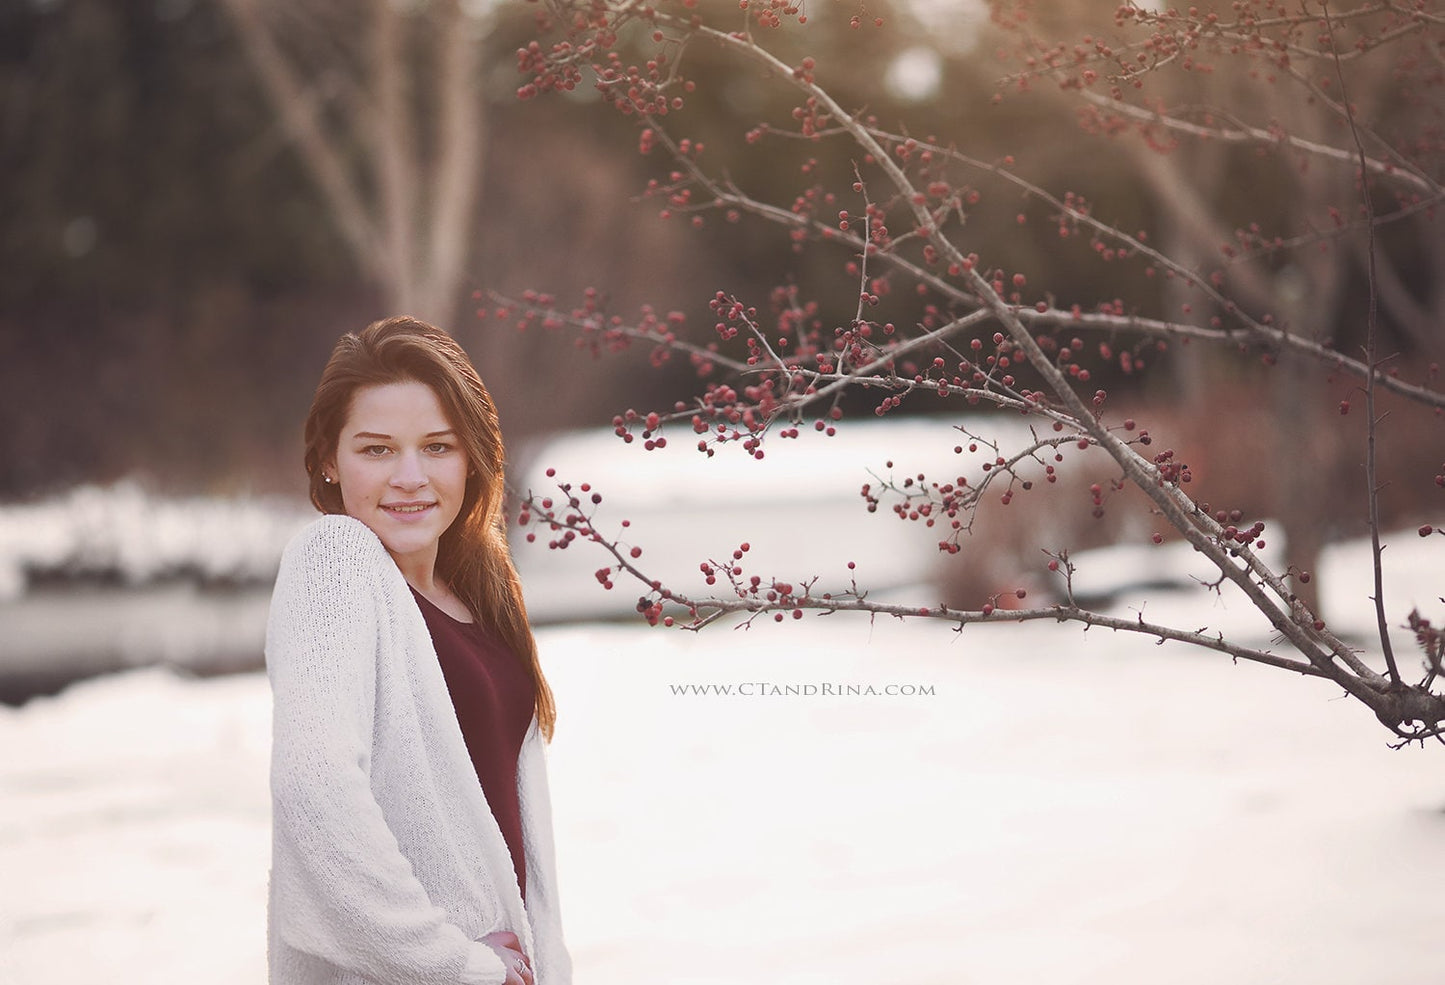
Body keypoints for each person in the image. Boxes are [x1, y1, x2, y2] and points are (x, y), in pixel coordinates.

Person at [264, 315, 572, 985]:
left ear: (471, 457)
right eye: (376, 450)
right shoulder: (336, 557)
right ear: (327, 459)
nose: (410, 475)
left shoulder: (480, 592)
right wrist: (451, 963)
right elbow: (313, 788)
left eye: (437, 447)